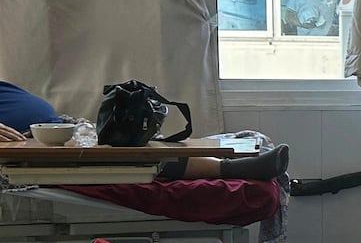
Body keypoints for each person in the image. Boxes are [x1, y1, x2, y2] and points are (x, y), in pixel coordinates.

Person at [0, 82, 288, 179]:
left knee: (130, 140)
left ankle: (229, 160)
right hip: (27, 146)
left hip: (56, 129)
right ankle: (232, 170)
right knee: (126, 157)